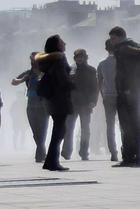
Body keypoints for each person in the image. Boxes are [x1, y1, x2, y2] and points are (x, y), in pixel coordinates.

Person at [107, 28, 140, 167]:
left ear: (120, 37)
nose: (111, 41)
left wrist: (126, 88)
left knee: (127, 125)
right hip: (135, 91)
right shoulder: (135, 47)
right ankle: (137, 156)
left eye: (113, 38)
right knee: (136, 123)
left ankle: (129, 157)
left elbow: (126, 72)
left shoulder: (123, 50)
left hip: (127, 92)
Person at [33, 35, 74, 172]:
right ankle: (53, 162)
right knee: (59, 131)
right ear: (57, 46)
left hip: (51, 100)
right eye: (62, 42)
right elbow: (62, 80)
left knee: (58, 130)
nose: (65, 43)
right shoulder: (59, 59)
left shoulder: (47, 61)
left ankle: (50, 161)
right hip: (60, 99)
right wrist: (74, 84)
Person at [10, 56, 46, 163]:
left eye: (35, 61)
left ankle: (40, 153)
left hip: (43, 106)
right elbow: (13, 81)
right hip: (31, 105)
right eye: (32, 61)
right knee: (35, 131)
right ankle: (42, 150)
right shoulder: (28, 74)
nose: (33, 63)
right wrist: (22, 79)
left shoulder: (45, 73)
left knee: (42, 130)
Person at [67, 49, 99, 162]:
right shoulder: (70, 70)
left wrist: (94, 101)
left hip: (86, 103)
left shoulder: (91, 70)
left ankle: (84, 152)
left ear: (86, 57)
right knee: (69, 128)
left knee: (85, 129)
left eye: (82, 57)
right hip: (72, 103)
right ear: (75, 58)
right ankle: (67, 150)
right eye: (77, 57)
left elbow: (95, 87)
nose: (79, 59)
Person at [97, 43, 120, 161]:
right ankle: (125, 149)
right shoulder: (121, 62)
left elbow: (99, 83)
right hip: (120, 96)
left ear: (106, 49)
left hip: (108, 96)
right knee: (123, 124)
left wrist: (103, 95)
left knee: (109, 124)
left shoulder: (102, 64)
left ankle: (113, 151)